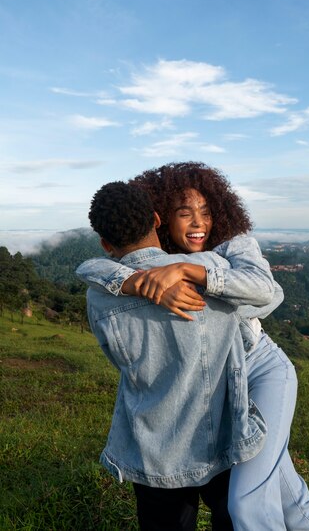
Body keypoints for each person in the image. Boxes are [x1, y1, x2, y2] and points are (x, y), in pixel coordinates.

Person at [78, 162, 309, 531]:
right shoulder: (134, 273)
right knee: (294, 502)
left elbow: (269, 292)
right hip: (218, 377)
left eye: (207, 212)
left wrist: (188, 272)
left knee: (246, 505)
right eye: (184, 213)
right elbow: (91, 268)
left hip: (258, 368)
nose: (198, 223)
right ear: (159, 217)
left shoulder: (228, 252)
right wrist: (132, 280)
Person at [81, 180, 283, 531]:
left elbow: (117, 359)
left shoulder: (99, 296)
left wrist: (131, 284)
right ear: (158, 220)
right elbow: (268, 294)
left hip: (155, 449)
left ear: (105, 243)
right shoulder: (208, 269)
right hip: (223, 436)